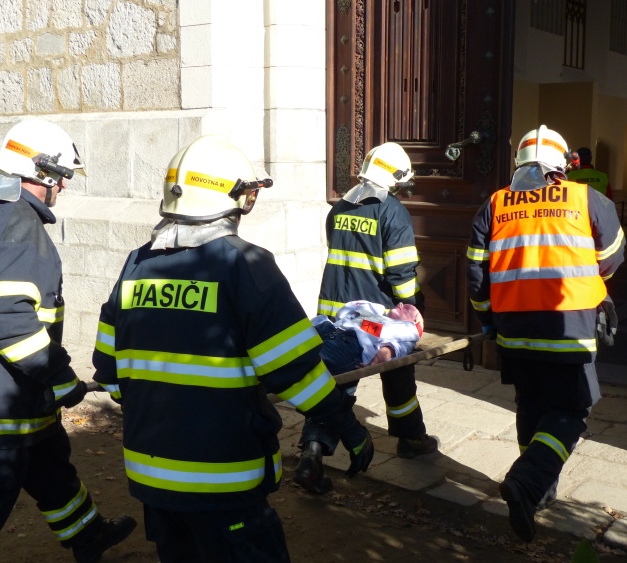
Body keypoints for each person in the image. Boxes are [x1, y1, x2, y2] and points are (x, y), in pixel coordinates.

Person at [91, 135, 374, 562]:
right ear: (236, 199)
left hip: (151, 478)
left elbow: (108, 371)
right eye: (249, 196)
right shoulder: (246, 265)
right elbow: (295, 373)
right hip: (224, 481)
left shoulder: (135, 265)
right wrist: (347, 426)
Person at [0, 119, 136, 563]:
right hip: (5, 400)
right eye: (62, 177)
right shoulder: (20, 225)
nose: (64, 187)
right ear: (43, 173)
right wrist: (62, 379)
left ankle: (88, 535)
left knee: (50, 467)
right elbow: (12, 324)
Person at [467, 125, 625, 542]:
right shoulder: (587, 198)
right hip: (568, 330)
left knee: (532, 404)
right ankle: (527, 482)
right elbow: (611, 258)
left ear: (518, 162)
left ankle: (540, 490)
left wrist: (488, 321)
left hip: (514, 331)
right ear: (563, 164)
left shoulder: (494, 204)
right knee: (570, 411)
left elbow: (476, 274)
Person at [309, 142, 437, 483]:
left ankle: (313, 451)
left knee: (333, 384)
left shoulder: (339, 208)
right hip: (374, 319)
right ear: (394, 178)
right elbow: (401, 273)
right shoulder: (392, 212)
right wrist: (412, 309)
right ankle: (411, 438)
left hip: (334, 311)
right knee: (398, 372)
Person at [295, 300, 424, 493]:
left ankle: (311, 461)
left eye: (408, 308)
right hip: (325, 333)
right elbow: (347, 311)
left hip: (343, 347)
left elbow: (389, 350)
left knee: (321, 389)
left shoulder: (405, 332)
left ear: (414, 323)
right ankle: (310, 463)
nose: (400, 303)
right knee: (327, 399)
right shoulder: (376, 317)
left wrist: (375, 361)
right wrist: (364, 315)